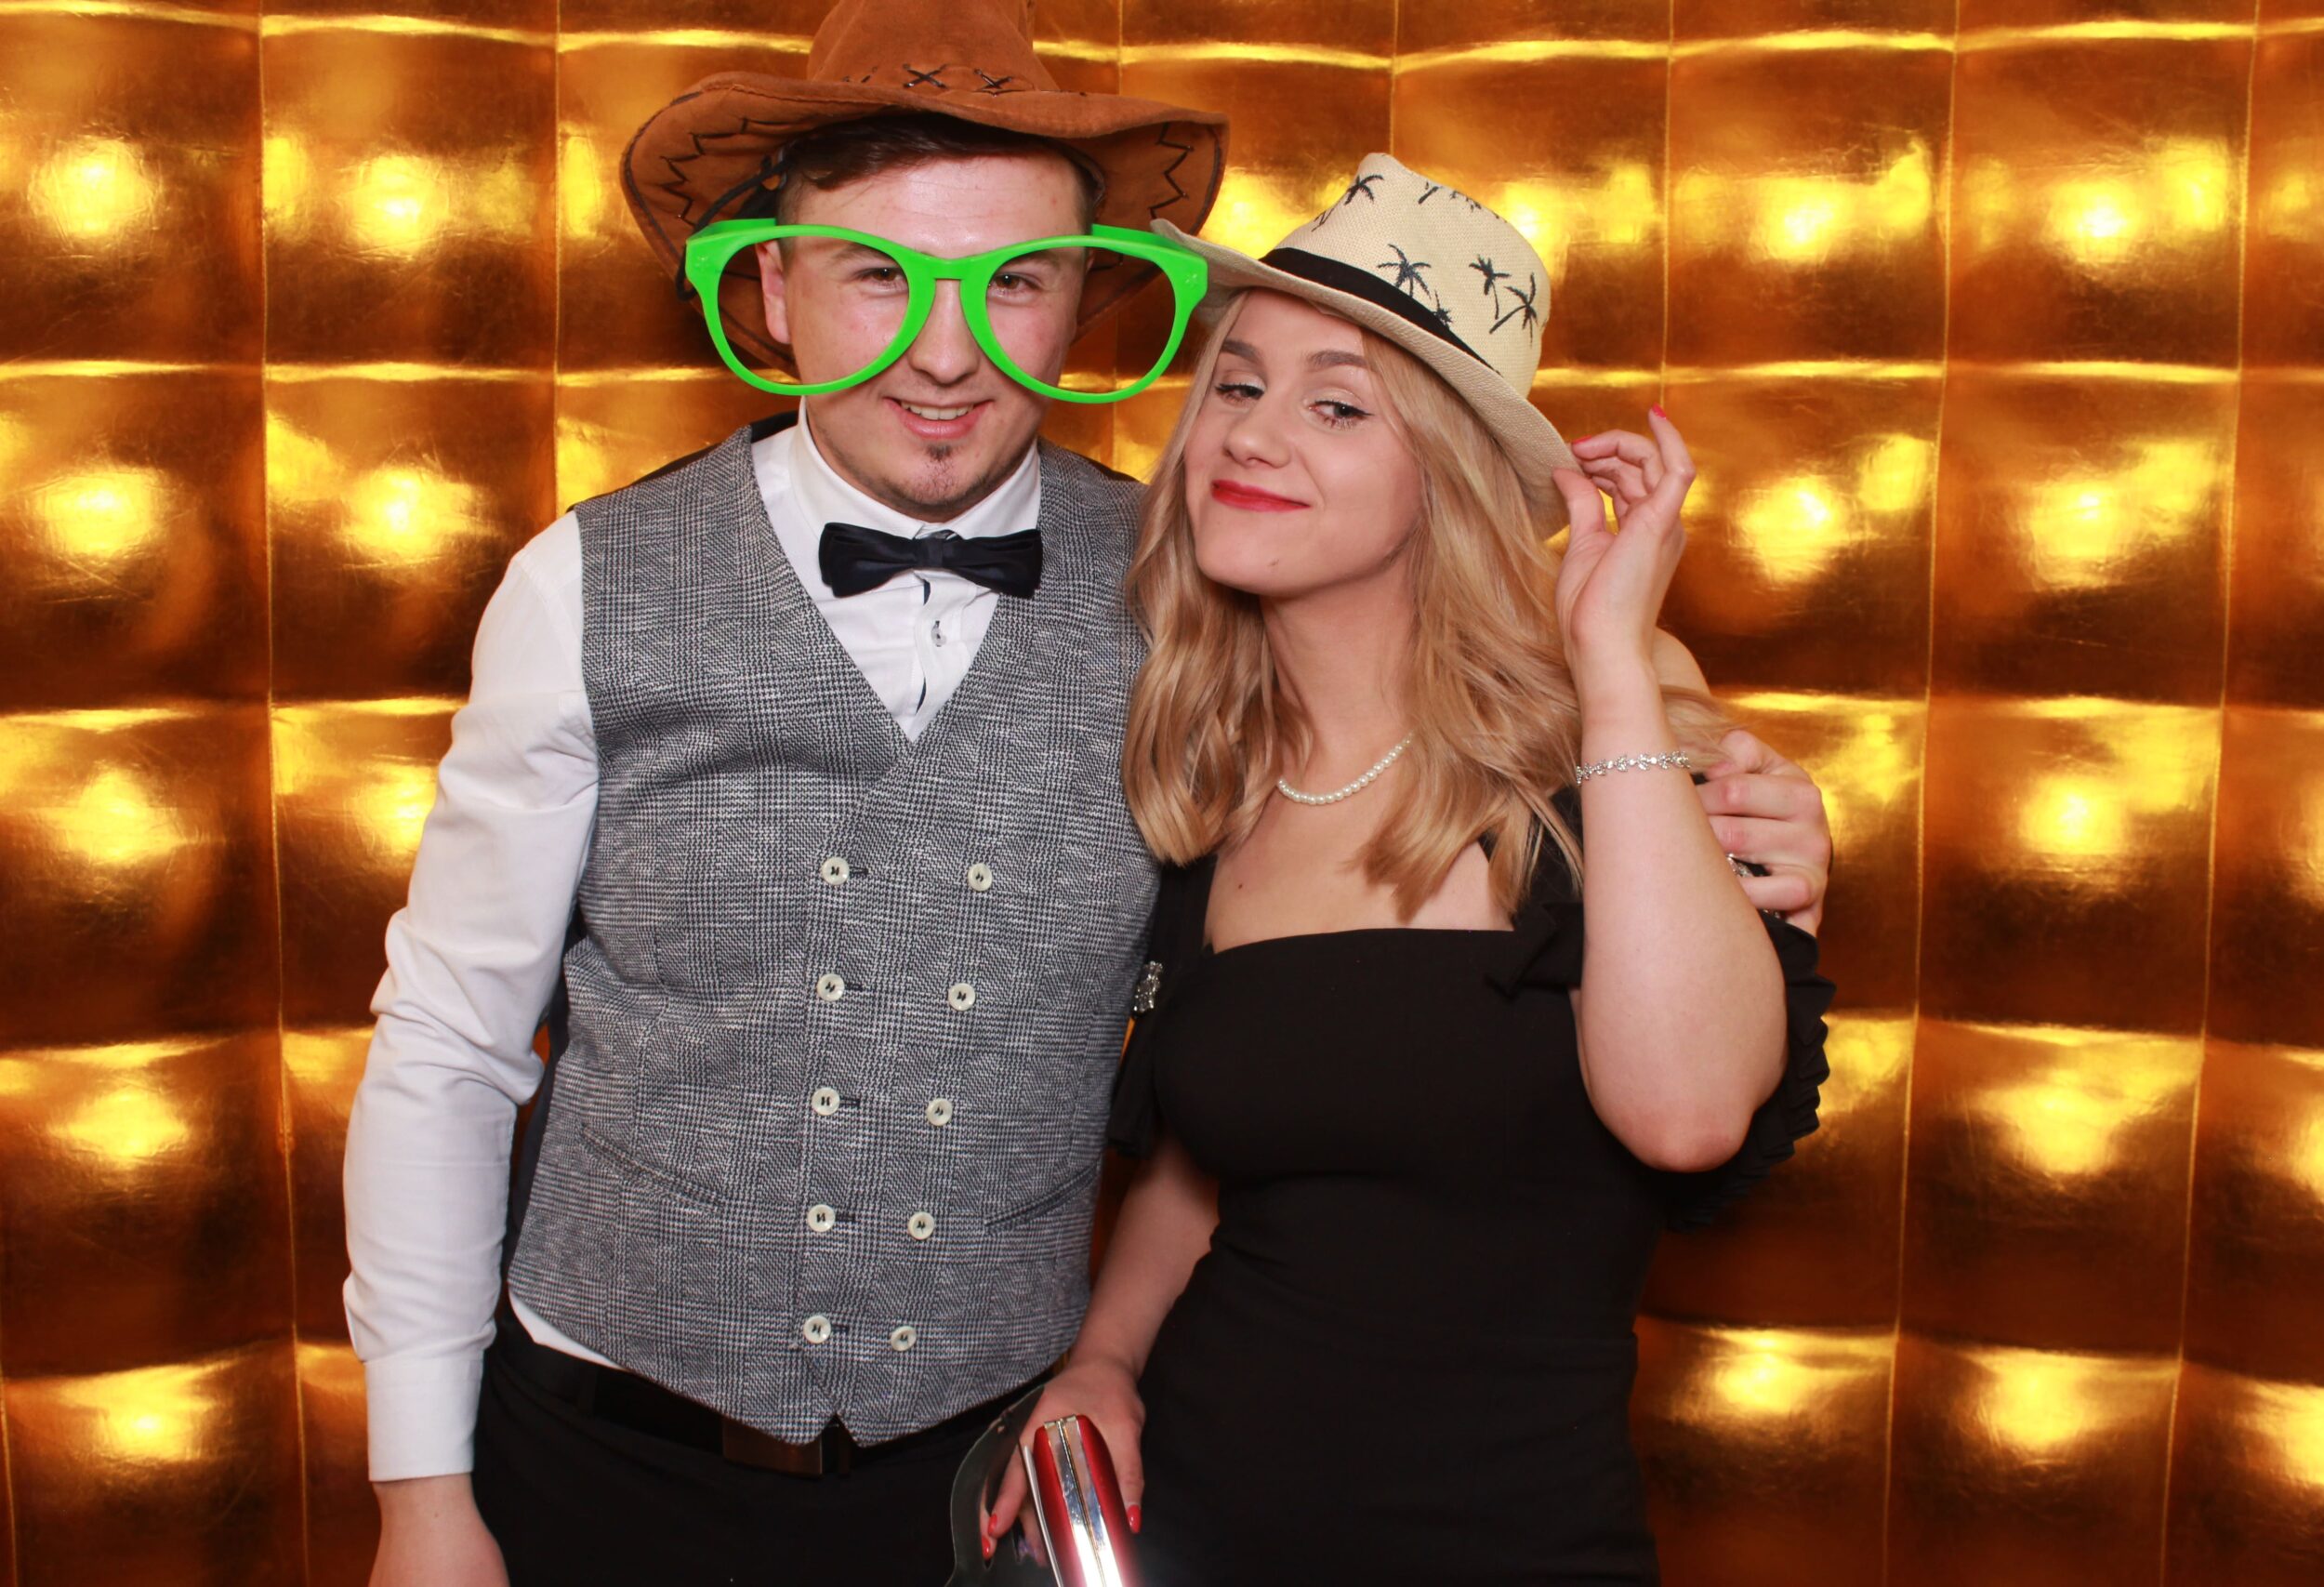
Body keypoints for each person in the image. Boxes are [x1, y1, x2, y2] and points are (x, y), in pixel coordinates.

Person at [342, 4, 1832, 1582]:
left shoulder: (1192, 595)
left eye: (1014, 282)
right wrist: (420, 1493)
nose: (945, 353)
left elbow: (1468, 713)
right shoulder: (588, 581)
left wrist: (1719, 791)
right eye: (876, 275)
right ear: (772, 287)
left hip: (995, 1482)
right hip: (600, 1458)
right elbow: (448, 1046)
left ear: (1082, 301)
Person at [985, 154, 1837, 1585]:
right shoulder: (1216, 764)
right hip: (1192, 1519)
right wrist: (1104, 1361)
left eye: (1337, 406)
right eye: (1237, 386)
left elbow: (1687, 1114)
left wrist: (1612, 665)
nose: (1253, 435)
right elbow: (1204, 1164)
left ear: (1444, 475)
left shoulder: (1616, 731)